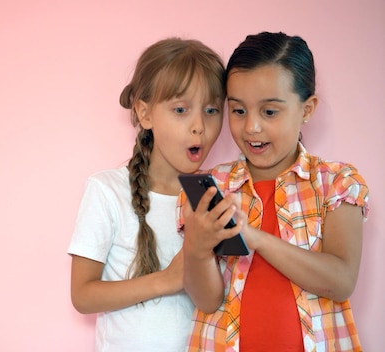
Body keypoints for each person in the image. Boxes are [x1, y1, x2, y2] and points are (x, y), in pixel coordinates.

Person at [180, 31, 370, 351]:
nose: (251, 127)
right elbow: (207, 301)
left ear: (307, 110)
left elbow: (341, 281)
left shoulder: (336, 183)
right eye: (238, 111)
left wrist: (253, 237)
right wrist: (197, 250)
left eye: (269, 112)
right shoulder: (214, 187)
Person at [67, 37, 225, 351]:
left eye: (211, 110)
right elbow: (83, 296)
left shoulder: (212, 196)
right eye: (180, 109)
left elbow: (215, 301)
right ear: (145, 113)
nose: (199, 126)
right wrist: (166, 280)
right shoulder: (107, 190)